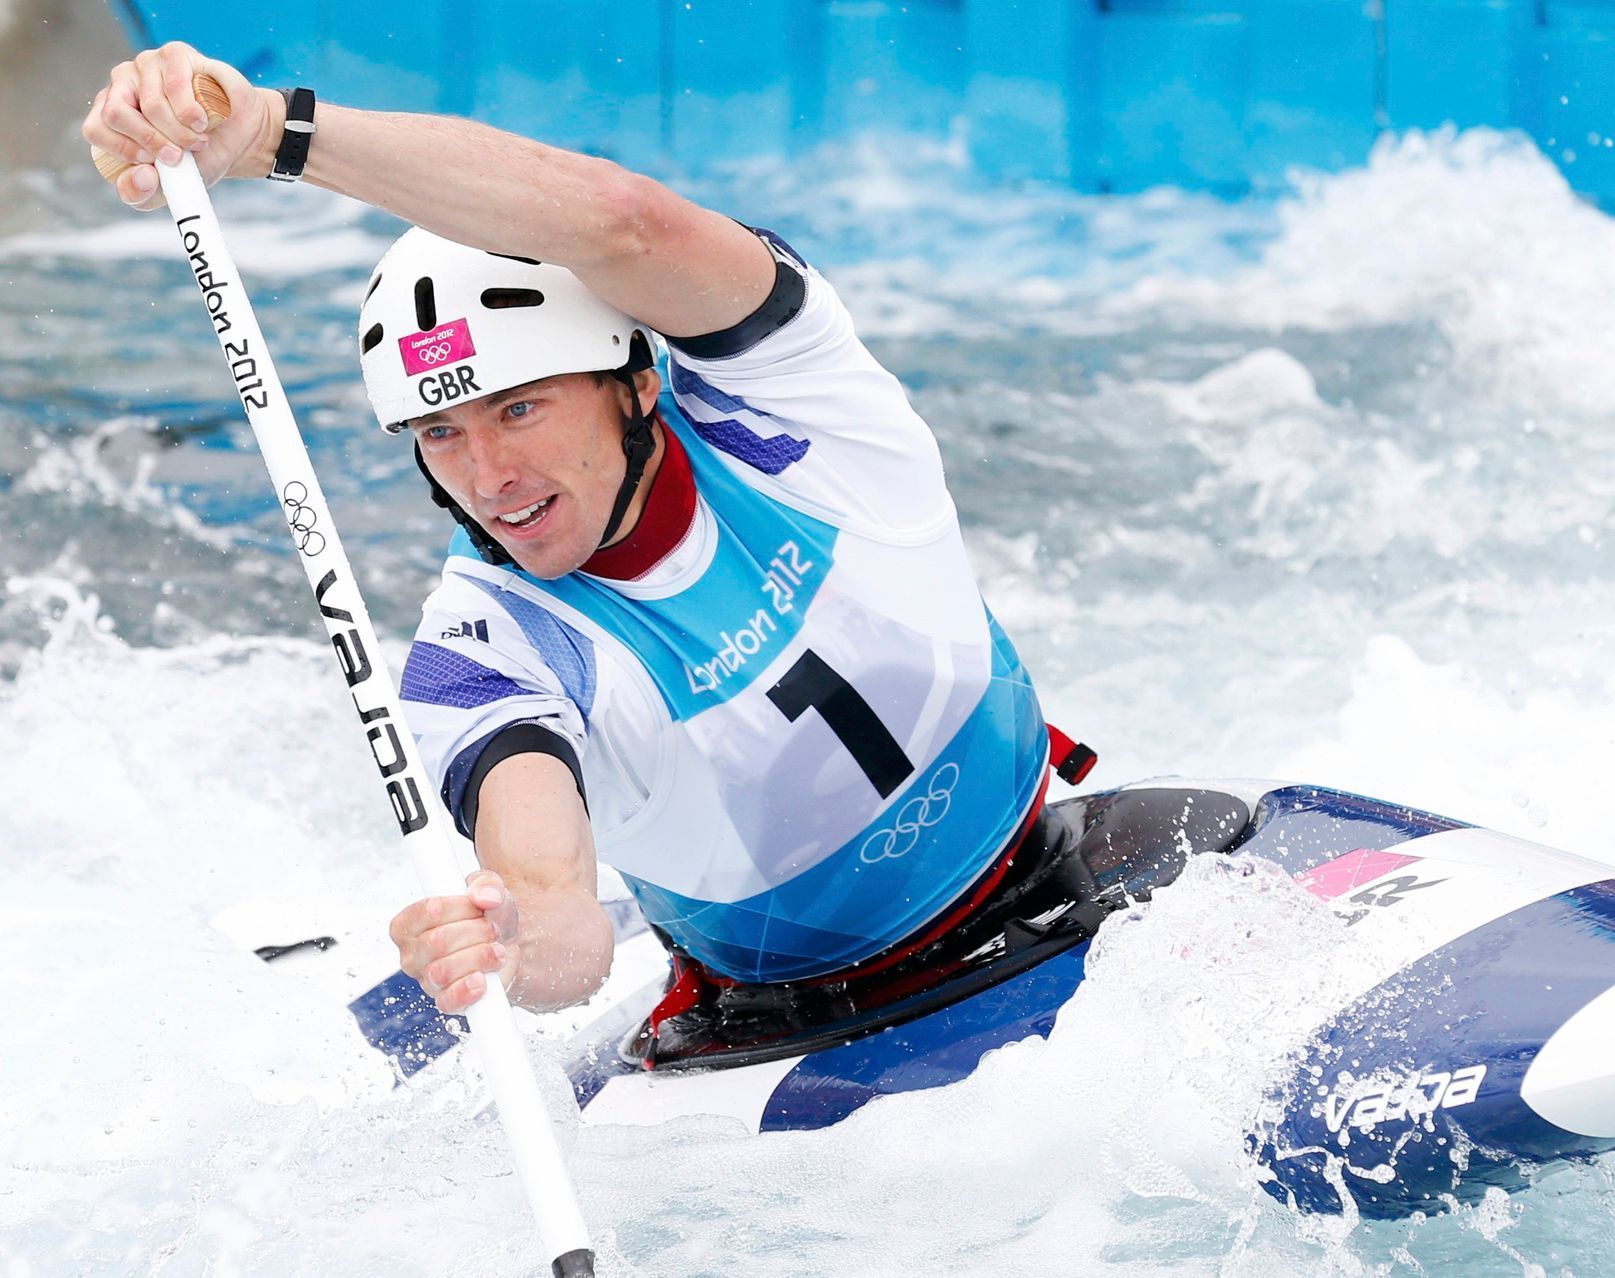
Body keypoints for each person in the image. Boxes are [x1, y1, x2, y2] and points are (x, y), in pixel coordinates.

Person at [84, 42, 1093, 1025]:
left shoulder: (788, 397)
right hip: (786, 1020)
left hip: (1052, 863)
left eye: (519, 409)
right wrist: (512, 941)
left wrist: (272, 129)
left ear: (636, 386)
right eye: (441, 432)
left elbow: (624, 223)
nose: (488, 478)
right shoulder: (482, 652)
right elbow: (554, 911)